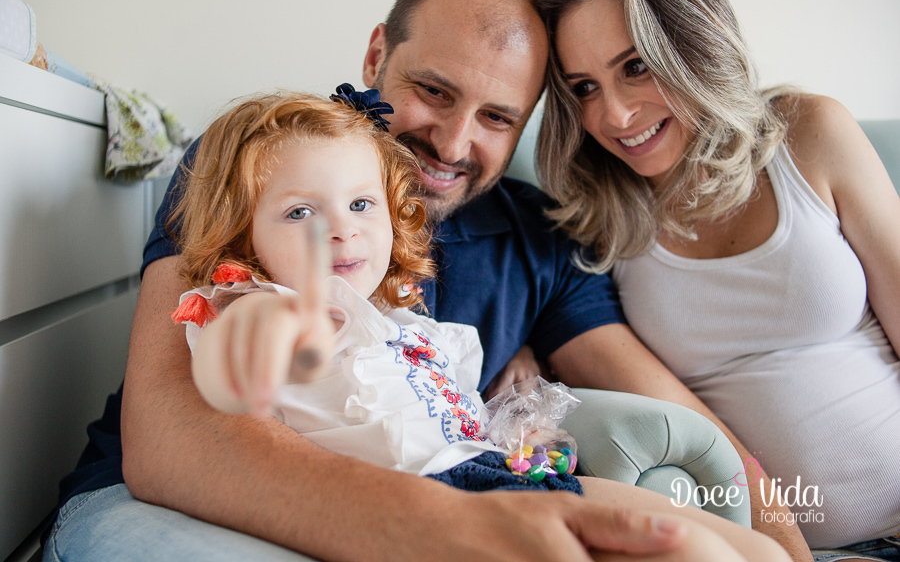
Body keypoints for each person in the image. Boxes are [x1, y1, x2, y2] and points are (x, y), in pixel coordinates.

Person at [44, 0, 804, 560]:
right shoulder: (264, 165)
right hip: (162, 503)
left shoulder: (537, 238)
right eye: (432, 91)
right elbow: (173, 441)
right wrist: (435, 524)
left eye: (498, 118)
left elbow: (663, 400)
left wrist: (786, 538)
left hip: (466, 487)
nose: (451, 142)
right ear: (379, 54)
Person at [169, 88, 787, 562]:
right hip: (419, 504)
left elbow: (446, 407)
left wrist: (515, 421)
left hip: (497, 472)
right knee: (687, 552)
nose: (342, 228)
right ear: (243, 235)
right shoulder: (263, 302)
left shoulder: (401, 320)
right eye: (300, 212)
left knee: (755, 550)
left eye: (361, 204)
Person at [534, 0, 900, 561]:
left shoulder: (809, 134)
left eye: (637, 66)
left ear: (694, 44)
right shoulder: (593, 222)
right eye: (584, 87)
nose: (616, 116)